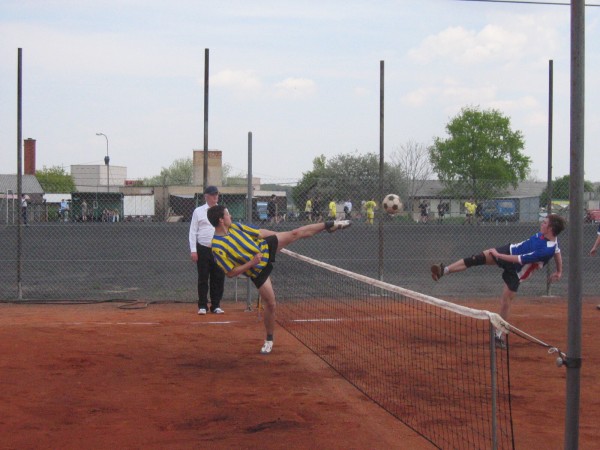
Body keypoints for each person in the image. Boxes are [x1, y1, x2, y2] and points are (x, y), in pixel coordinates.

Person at [207, 205, 351, 354]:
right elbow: (230, 273)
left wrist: (281, 235)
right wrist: (251, 263)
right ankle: (269, 339)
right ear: (221, 220)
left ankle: (330, 225)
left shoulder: (235, 227)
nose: (230, 216)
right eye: (228, 214)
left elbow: (260, 233)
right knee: (271, 304)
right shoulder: (217, 246)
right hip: (257, 270)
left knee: (295, 233)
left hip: (265, 247)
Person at [430, 214, 566, 348]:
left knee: (505, 302)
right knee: (476, 259)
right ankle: (444, 270)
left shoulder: (546, 249)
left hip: (517, 271)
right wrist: (559, 271)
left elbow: (519, 259)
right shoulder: (549, 238)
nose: (542, 223)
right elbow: (558, 252)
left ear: (550, 228)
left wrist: (498, 255)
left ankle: (498, 335)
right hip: (510, 250)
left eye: (545, 223)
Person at [189, 186, 225, 315]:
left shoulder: (223, 210)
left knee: (218, 277)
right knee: (203, 277)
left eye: (217, 194)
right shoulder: (198, 211)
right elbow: (193, 231)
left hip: (219, 249)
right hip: (203, 248)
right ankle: (202, 306)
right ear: (206, 196)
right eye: (213, 194)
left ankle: (216, 305)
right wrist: (193, 250)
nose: (215, 196)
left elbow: (228, 228)